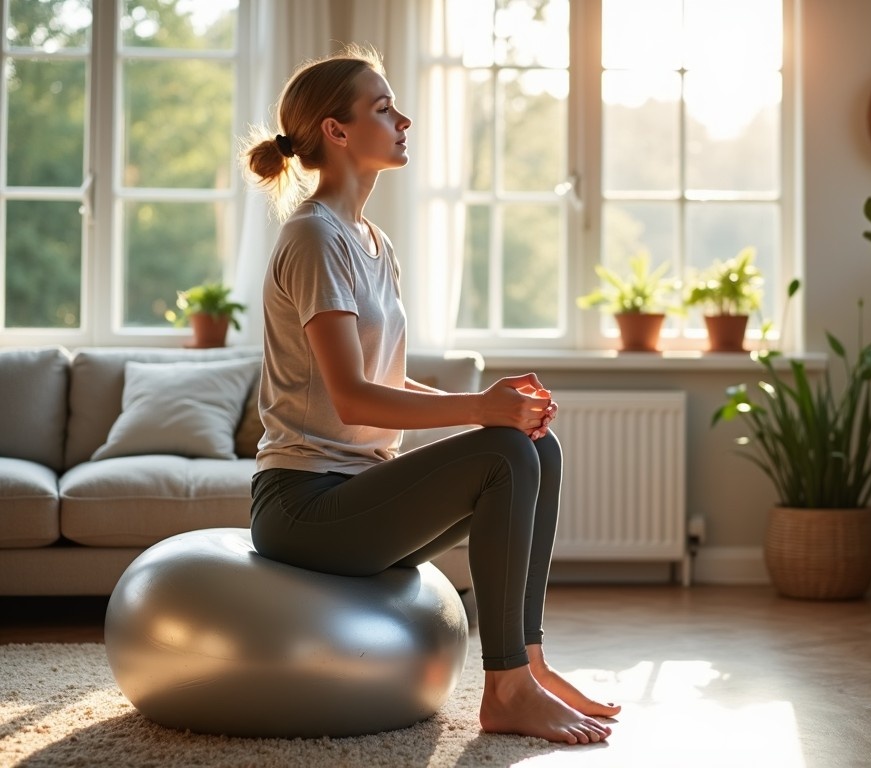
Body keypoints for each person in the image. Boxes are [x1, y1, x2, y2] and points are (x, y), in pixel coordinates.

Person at [241, 44, 619, 745]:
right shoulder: (316, 239)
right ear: (337, 130)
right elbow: (353, 399)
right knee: (504, 452)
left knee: (538, 446)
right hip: (303, 505)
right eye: (383, 108)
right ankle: (505, 691)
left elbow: (379, 376)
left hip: (359, 490)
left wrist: (498, 405)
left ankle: (528, 666)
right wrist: (482, 412)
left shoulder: (372, 242)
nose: (404, 119)